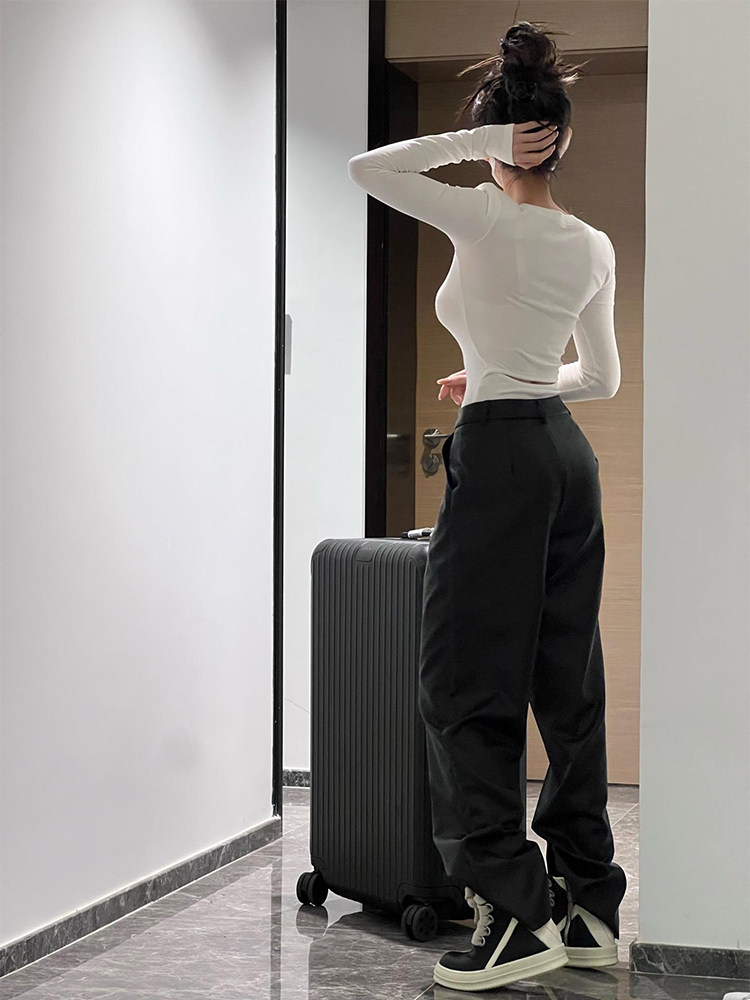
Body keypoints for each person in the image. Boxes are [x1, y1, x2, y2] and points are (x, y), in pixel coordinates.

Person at [347, 19, 627, 994]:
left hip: (503, 459)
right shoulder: (590, 243)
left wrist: (474, 146)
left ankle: (512, 916)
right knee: (567, 680)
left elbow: (368, 167)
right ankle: (588, 906)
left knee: (463, 683)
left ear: (499, 138)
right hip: (564, 453)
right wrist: (502, 374)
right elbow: (602, 377)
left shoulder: (483, 217)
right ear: (563, 138)